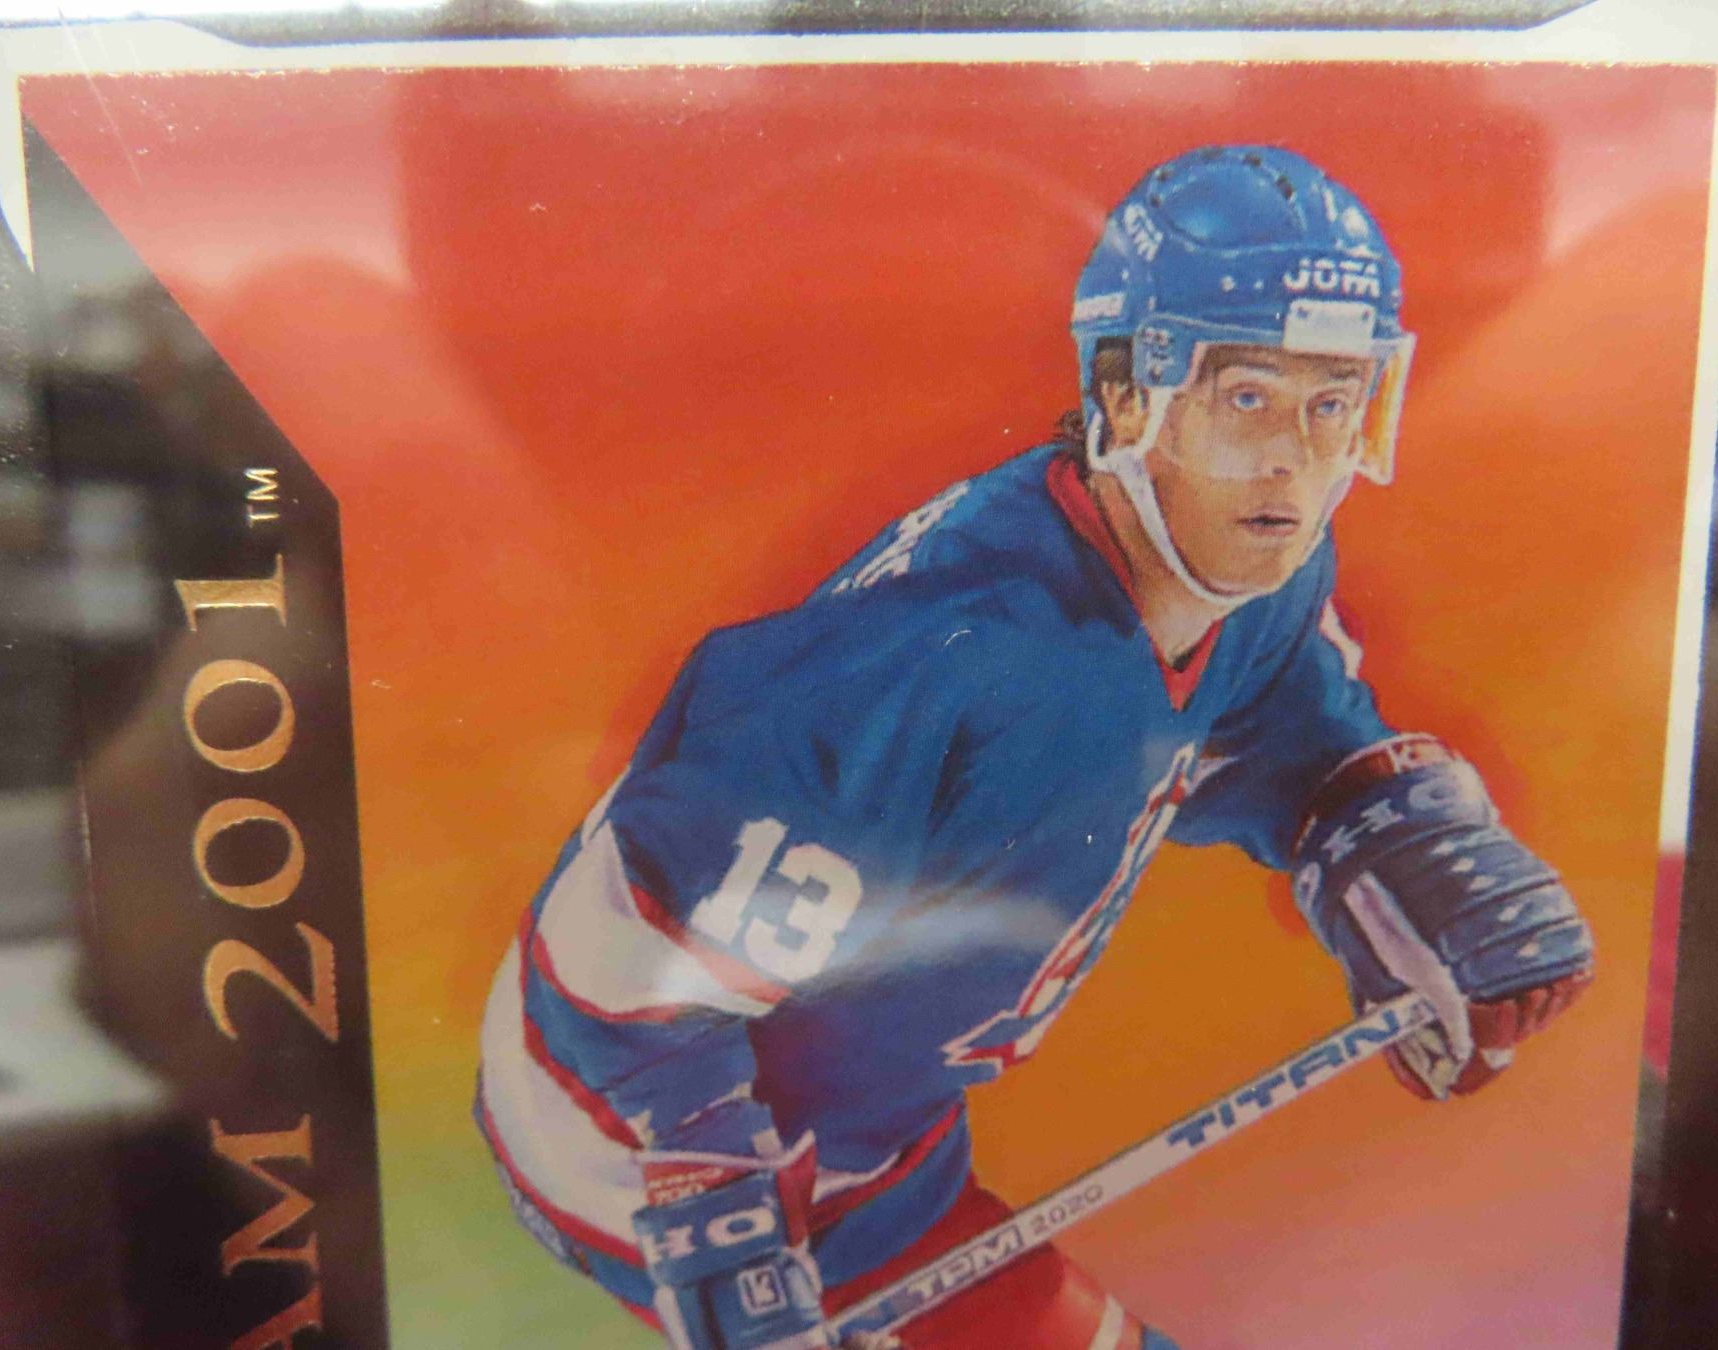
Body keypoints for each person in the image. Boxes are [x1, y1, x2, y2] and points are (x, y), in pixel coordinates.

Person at [475, 145, 1594, 1350]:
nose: (1292, 459)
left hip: (881, 1155)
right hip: (635, 1149)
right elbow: (625, 965)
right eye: (1247, 399)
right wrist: (717, 1222)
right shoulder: (939, 655)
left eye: (1332, 404)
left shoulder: (1252, 580)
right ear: (1126, 398)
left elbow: (1286, 733)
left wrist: (1401, 844)